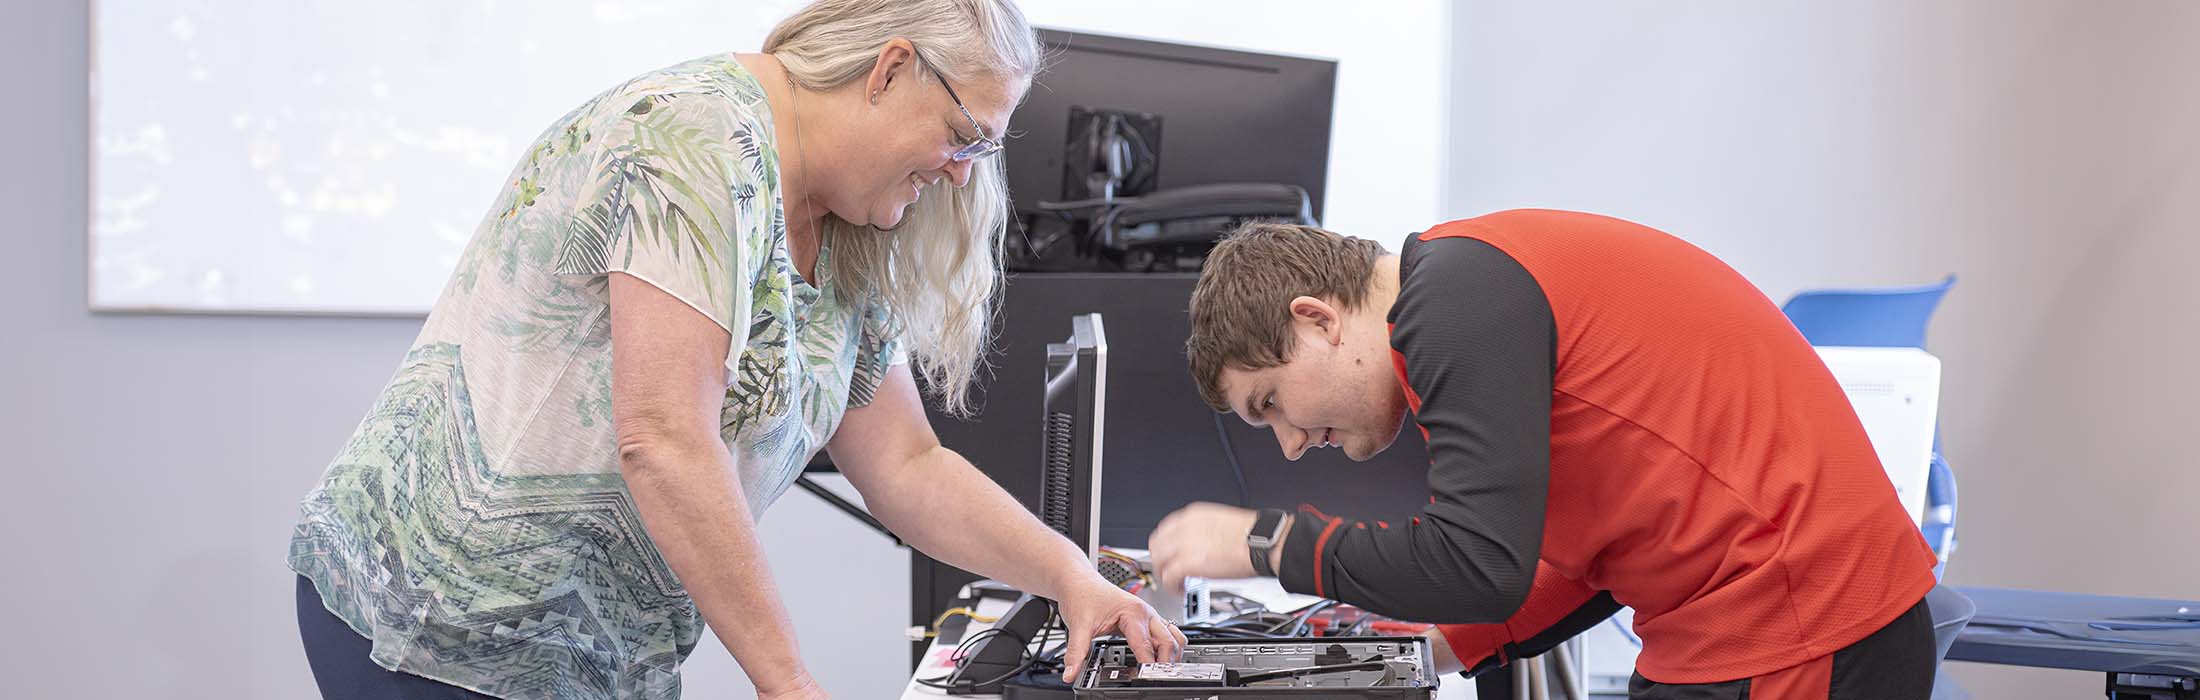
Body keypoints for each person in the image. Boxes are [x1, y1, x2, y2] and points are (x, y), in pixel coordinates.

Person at [287, 2, 1182, 698]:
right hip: (441, 622)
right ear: (892, 69)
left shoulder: (851, 228)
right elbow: (663, 439)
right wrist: (785, 677)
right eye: (964, 136)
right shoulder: (695, 137)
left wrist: (1069, 573)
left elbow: (907, 465)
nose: (963, 172)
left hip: (591, 651)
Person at [1147, 210, 1943, 699]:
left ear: (1318, 320)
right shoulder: (1462, 293)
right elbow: (1567, 555)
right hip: (1777, 623)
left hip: (1797, 626)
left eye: (1272, 404)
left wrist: (1266, 543)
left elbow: (1477, 562)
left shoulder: (1450, 309)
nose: (1289, 445)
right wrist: (1427, 651)